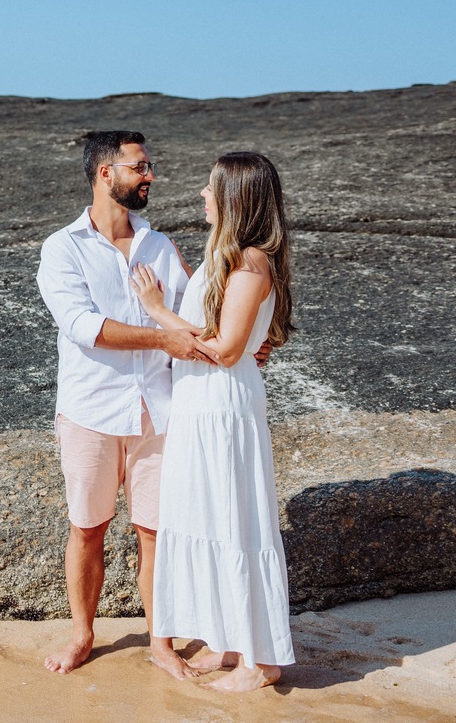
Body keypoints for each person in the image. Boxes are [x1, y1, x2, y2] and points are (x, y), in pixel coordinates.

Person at [36, 131, 218, 679]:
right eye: (141, 166)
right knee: (88, 528)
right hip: (91, 411)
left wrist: (243, 337)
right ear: (104, 174)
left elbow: (193, 315)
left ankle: (160, 643)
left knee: (155, 532)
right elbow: (83, 327)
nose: (150, 176)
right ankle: (82, 635)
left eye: (149, 166)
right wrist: (163, 339)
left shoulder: (160, 246)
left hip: (159, 413)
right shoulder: (61, 248)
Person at [129, 151, 295, 692]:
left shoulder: (251, 261)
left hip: (224, 405)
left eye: (209, 188)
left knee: (232, 519)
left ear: (234, 198)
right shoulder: (226, 258)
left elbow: (224, 350)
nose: (201, 195)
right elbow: (233, 339)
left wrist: (157, 312)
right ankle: (230, 642)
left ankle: (260, 662)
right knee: (207, 517)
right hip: (200, 404)